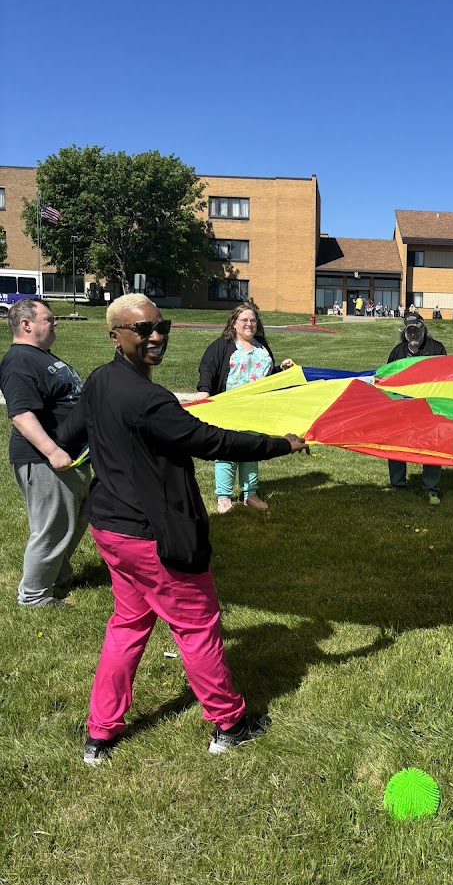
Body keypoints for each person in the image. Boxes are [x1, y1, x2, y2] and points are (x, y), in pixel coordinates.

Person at [57, 294, 306, 763]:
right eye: (141, 330)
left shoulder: (101, 381)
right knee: (196, 627)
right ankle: (230, 724)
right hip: (154, 535)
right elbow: (210, 441)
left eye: (161, 325)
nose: (155, 336)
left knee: (128, 625)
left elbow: (69, 436)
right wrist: (282, 443)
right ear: (115, 336)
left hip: (111, 530)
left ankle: (100, 734)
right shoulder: (147, 400)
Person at [0, 299, 92, 607]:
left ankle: (58, 576)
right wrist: (52, 451)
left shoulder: (39, 356)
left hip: (70, 456)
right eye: (49, 319)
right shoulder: (18, 361)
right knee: (51, 528)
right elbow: (21, 413)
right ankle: (34, 596)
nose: (55, 323)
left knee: (74, 521)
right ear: (26, 324)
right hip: (45, 460)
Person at [197, 302, 293, 513]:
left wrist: (281, 370)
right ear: (234, 323)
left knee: (252, 449)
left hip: (256, 408)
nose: (249, 324)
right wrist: (204, 390)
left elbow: (266, 377)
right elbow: (208, 368)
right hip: (230, 407)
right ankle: (224, 497)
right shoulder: (223, 345)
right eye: (244, 320)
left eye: (253, 320)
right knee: (227, 450)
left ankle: (250, 494)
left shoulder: (261, 346)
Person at [386, 313, 447, 504]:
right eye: (409, 330)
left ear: (423, 329)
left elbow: (446, 377)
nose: (413, 334)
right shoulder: (398, 351)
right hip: (402, 406)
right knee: (396, 442)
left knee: (432, 444)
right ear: (405, 332)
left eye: (416, 330)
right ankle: (398, 484)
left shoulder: (436, 349)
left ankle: (431, 488)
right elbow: (387, 378)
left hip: (430, 405)